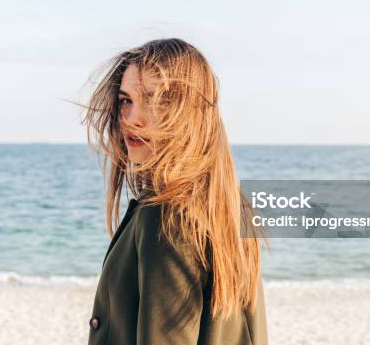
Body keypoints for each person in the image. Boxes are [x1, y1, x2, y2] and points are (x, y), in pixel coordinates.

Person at [81, 38, 268, 344]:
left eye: (155, 100)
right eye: (126, 100)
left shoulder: (166, 214)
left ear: (190, 111)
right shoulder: (230, 204)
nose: (132, 118)